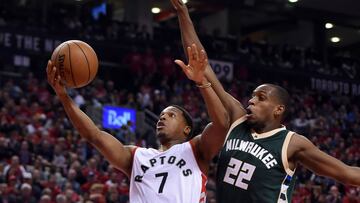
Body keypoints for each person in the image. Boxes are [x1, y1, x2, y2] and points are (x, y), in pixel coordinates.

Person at [170, 0, 360, 202]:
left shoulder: (292, 143)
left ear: (278, 109)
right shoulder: (238, 119)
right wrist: (184, 14)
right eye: (252, 96)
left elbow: (348, 173)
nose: (251, 101)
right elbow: (202, 64)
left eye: (260, 98)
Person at [46, 43, 229, 203]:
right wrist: (63, 96)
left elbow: (222, 124)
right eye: (161, 116)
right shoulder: (136, 157)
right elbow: (94, 135)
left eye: (171, 115)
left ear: (187, 129)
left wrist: (201, 81)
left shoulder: (195, 150)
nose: (162, 118)